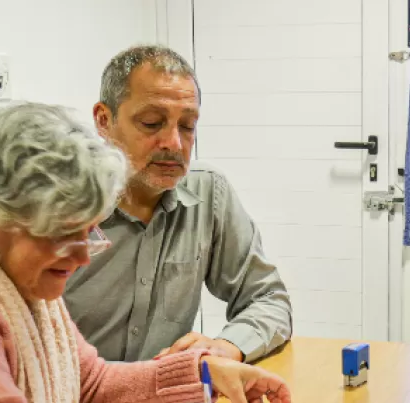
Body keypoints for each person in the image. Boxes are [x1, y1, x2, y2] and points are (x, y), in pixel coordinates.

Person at [0, 103, 292, 403]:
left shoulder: (15, 277)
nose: (83, 258)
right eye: (64, 233)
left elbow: (89, 385)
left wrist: (202, 370)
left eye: (88, 232)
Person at [64, 45, 292, 364]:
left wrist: (225, 347)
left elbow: (268, 299)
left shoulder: (207, 191)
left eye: (187, 126)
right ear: (104, 120)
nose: (174, 143)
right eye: (152, 122)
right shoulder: (59, 201)